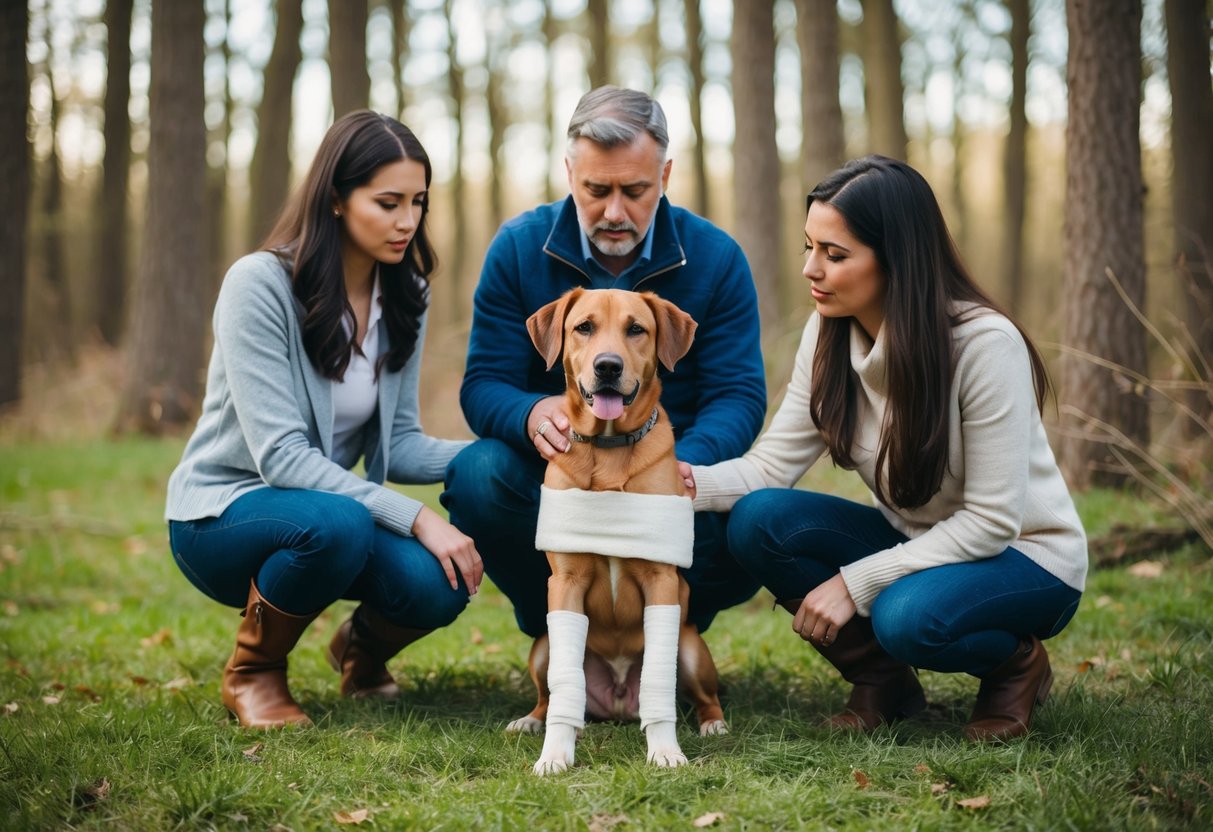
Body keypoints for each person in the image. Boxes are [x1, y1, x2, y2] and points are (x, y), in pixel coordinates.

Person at [683, 156, 1087, 741]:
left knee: (905, 618)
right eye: (809, 246)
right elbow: (769, 467)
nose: (810, 269)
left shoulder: (983, 345)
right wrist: (682, 482)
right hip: (924, 544)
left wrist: (855, 583)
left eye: (835, 254)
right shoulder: (828, 330)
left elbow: (993, 521)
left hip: (1026, 557)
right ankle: (884, 682)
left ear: (897, 260)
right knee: (758, 520)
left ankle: (1014, 666)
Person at [166, 111, 482, 729]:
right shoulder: (258, 285)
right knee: (340, 524)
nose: (407, 221)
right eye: (387, 202)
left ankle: (360, 651)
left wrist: (501, 452)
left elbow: (400, 443)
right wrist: (417, 515)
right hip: (221, 513)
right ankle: (253, 673)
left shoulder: (407, 294)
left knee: (438, 581)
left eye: (418, 201)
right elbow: (280, 458)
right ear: (336, 198)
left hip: (329, 518)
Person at [442, 86, 767, 643]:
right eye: (596, 189)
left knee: (757, 514)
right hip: (562, 476)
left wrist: (676, 466)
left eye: (636, 190)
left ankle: (666, 634)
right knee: (478, 474)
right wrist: (531, 412)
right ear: (569, 173)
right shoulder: (519, 249)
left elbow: (738, 394)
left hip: (675, 474)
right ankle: (559, 626)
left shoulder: (716, 258)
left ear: (665, 177)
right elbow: (483, 385)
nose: (615, 211)